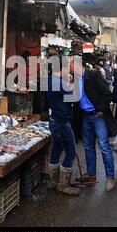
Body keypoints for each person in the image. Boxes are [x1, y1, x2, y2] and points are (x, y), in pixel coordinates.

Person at [73, 59, 117, 191]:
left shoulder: (93, 75)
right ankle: (91, 174)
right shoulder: (74, 80)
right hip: (85, 117)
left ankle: (110, 178)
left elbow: (107, 94)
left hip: (98, 116)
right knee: (88, 146)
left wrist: (102, 110)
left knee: (104, 146)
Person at [46, 58, 80, 196]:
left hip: (54, 119)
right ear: (63, 68)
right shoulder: (58, 82)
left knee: (56, 149)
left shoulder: (49, 79)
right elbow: (74, 97)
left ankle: (54, 181)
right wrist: (72, 82)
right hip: (61, 122)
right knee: (71, 152)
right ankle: (63, 185)